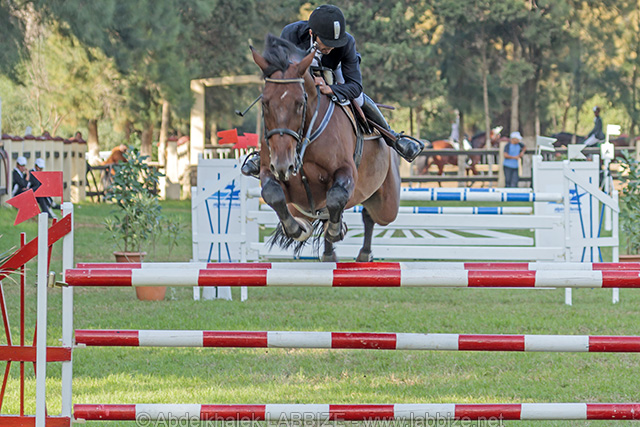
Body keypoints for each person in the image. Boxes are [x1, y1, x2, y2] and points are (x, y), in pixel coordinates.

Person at [241, 4, 423, 178]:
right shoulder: (291, 34)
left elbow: (355, 86)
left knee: (359, 98)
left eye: (335, 43)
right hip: (298, 78)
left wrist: (331, 88)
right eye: (326, 42)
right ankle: (262, 154)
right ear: (312, 33)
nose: (331, 47)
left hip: (333, 72)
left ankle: (393, 138)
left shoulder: (347, 43)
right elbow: (280, 72)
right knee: (277, 101)